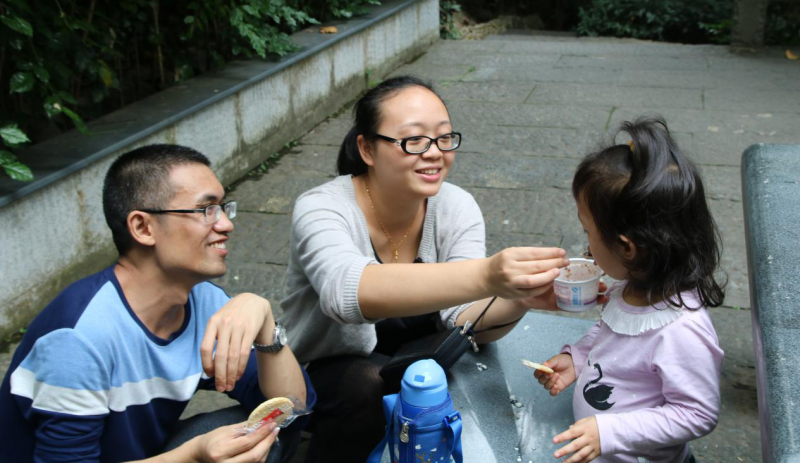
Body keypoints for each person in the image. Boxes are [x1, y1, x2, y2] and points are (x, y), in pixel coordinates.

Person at [280, 75, 584, 462]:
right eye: (414, 140)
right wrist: (488, 276)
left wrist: (520, 298)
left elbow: (465, 318)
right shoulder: (322, 207)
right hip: (323, 373)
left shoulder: (455, 206)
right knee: (364, 384)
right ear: (367, 148)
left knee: (467, 372)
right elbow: (346, 295)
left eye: (443, 138)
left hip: (419, 361)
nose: (435, 153)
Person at [0, 144, 315, 463]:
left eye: (222, 208)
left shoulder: (204, 303)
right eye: (206, 209)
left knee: (266, 431)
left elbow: (293, 407)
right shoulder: (79, 338)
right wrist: (192, 456)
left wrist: (265, 323)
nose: (226, 224)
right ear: (143, 227)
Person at [533, 117, 725, 463]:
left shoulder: (681, 331)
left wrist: (611, 433)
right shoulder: (629, 288)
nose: (586, 244)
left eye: (588, 231)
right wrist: (577, 358)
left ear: (627, 248)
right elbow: (610, 336)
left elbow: (697, 413)